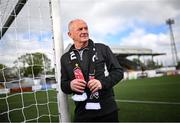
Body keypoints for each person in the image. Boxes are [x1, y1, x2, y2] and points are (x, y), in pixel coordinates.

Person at [60, 19, 124, 122]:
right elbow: (63, 85)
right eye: (80, 29)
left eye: (86, 28)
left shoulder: (102, 48)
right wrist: (70, 85)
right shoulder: (65, 58)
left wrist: (101, 83)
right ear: (70, 34)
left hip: (107, 112)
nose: (84, 31)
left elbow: (118, 72)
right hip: (82, 114)